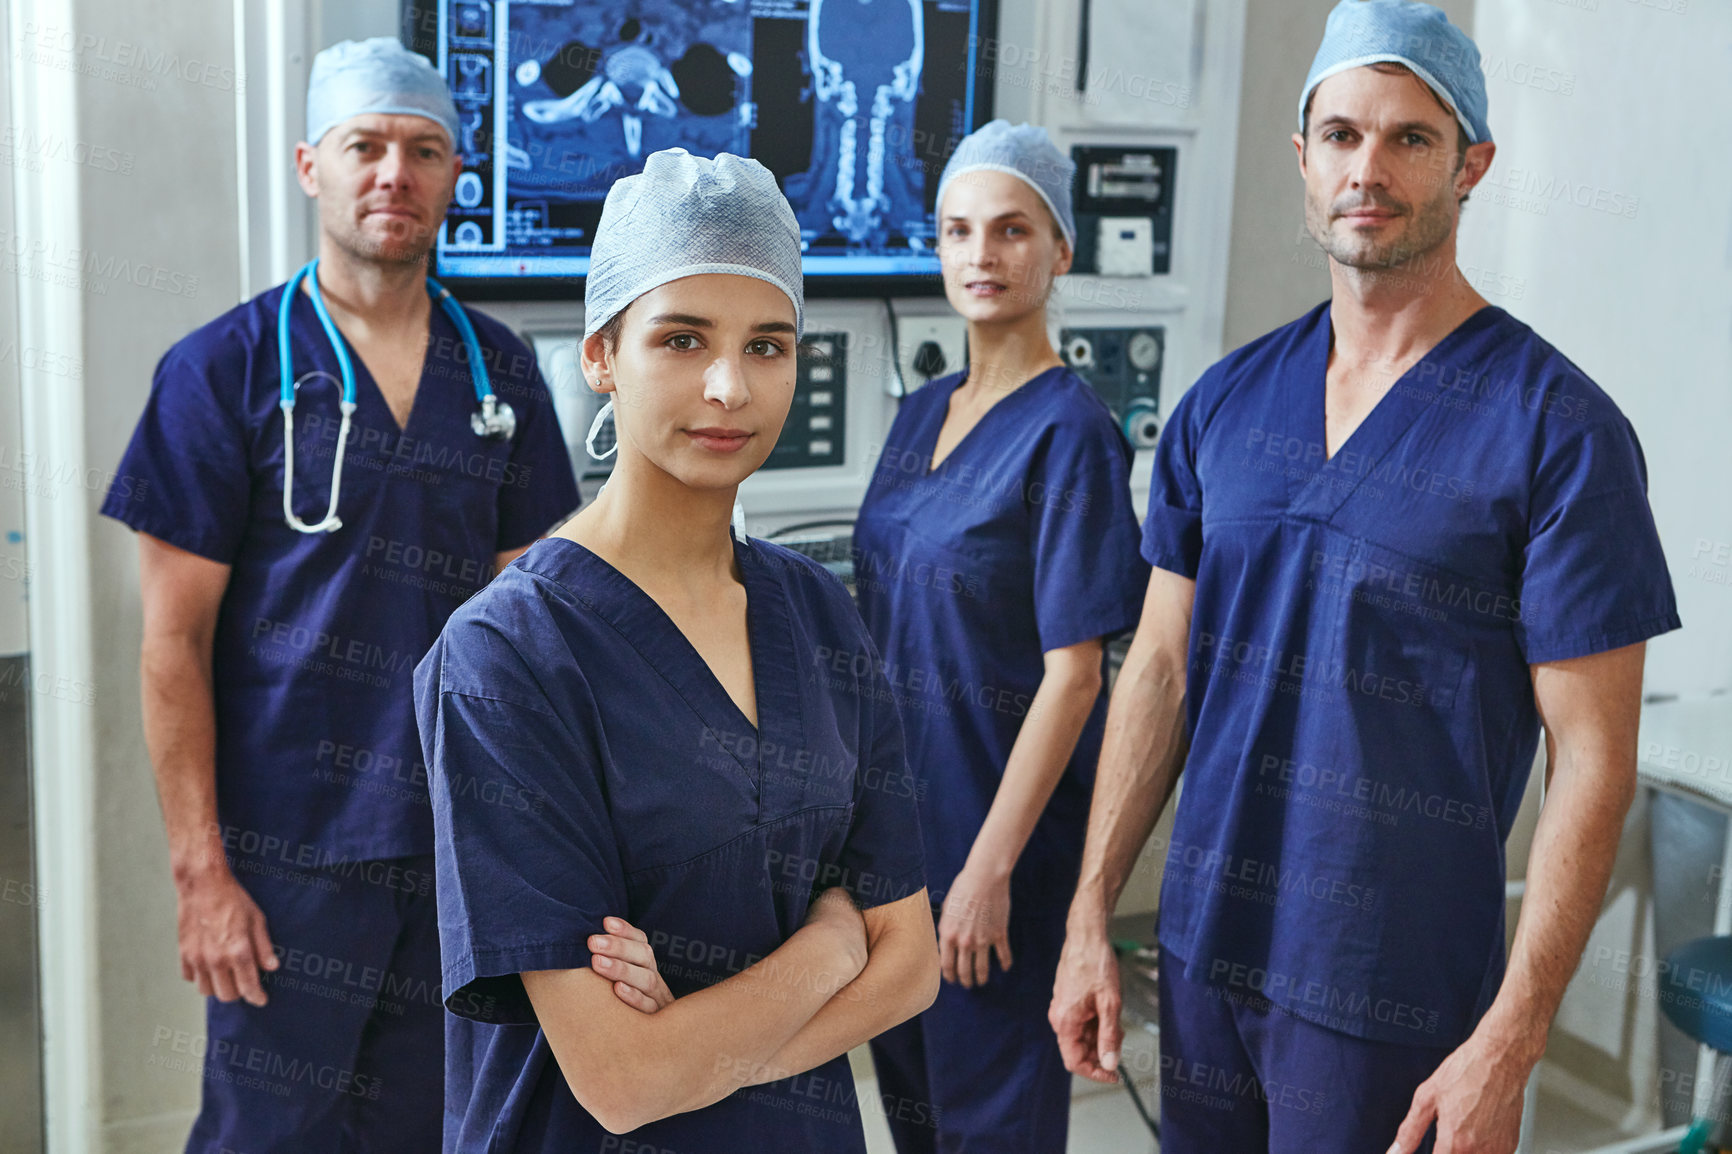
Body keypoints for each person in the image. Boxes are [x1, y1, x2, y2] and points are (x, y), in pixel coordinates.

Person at [1047, 3, 1681, 1152]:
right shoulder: (1225, 405)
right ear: (1304, 158)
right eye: (1339, 135)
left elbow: (1593, 756)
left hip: (1390, 989)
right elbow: (1156, 670)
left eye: (1409, 138)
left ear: (1471, 163)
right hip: (1198, 951)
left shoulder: (1557, 433)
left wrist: (1513, 1034)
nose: (1367, 169)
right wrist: (1093, 911)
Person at [102, 38, 579, 1152]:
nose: (393, 175)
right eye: (366, 146)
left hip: (457, 847)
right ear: (312, 164)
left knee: (436, 1125)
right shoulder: (221, 371)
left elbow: (528, 634)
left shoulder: (501, 375)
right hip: (286, 855)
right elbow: (171, 645)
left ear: (459, 175)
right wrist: (202, 874)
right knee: (271, 1129)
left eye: (423, 149)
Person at [415, 148, 939, 1153]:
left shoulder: (818, 614)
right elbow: (621, 1079)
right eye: (682, 337)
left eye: (770, 344)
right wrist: (829, 945)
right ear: (602, 354)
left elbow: (910, 962)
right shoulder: (506, 655)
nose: (729, 385)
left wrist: (701, 1049)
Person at [849, 120, 1150, 1152]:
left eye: (1012, 230)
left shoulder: (1071, 432)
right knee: (913, 1109)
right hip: (894, 842)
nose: (981, 254)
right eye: (958, 230)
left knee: (990, 1119)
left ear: (1059, 249)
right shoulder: (919, 411)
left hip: (997, 846)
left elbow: (1075, 677)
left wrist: (984, 872)